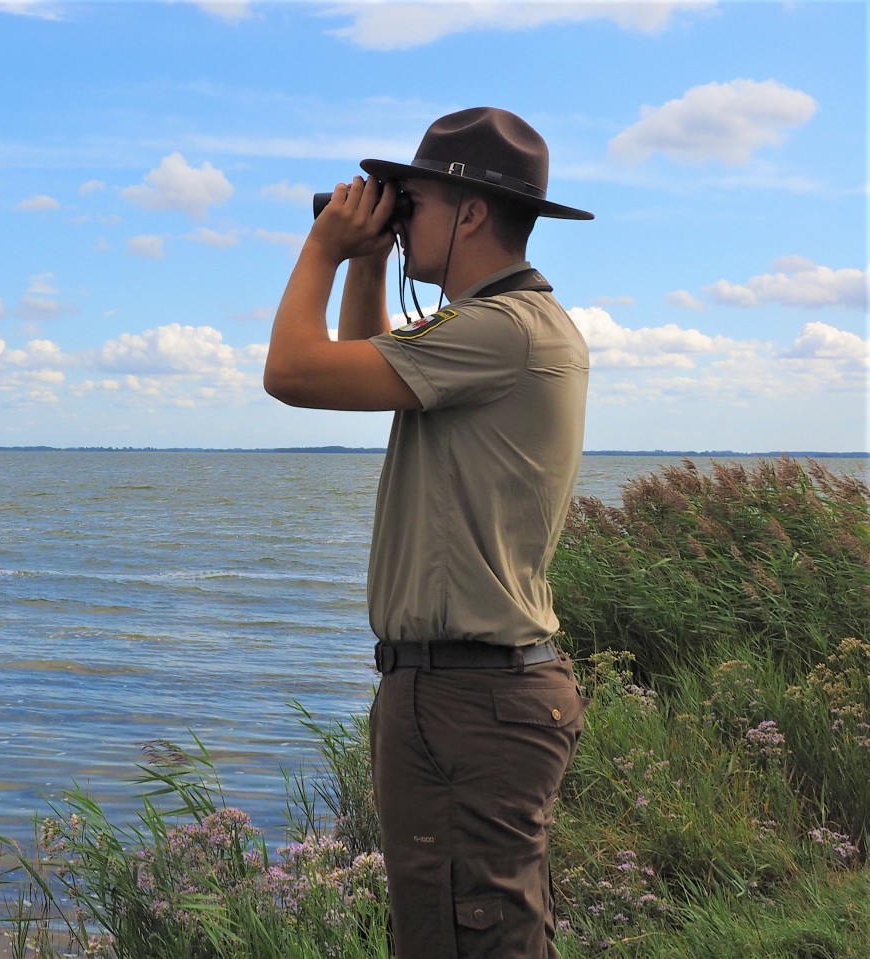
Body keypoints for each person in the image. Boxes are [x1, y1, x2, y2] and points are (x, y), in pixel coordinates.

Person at [263, 107, 593, 959]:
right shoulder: (500, 329)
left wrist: (324, 250)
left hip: (469, 701)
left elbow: (294, 372)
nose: (398, 220)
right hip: (470, 696)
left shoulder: (498, 329)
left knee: (468, 942)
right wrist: (369, 260)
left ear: (472, 210)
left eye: (409, 202)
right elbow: (362, 361)